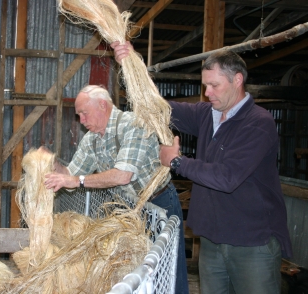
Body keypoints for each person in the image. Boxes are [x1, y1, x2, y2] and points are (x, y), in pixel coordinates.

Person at [112, 41, 293, 294]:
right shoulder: (207, 114)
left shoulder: (258, 123)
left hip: (252, 242)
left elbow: (227, 177)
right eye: (205, 85)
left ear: (237, 80)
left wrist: (177, 162)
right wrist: (131, 66)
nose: (208, 93)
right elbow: (157, 108)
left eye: (215, 85)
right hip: (212, 239)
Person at [41, 84, 189, 294]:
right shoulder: (92, 139)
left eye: (84, 113)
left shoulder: (133, 125)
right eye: (79, 115)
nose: (81, 121)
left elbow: (122, 175)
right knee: (135, 272)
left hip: (159, 203)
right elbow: (69, 175)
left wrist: (77, 181)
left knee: (167, 271)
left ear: (103, 105)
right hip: (129, 210)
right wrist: (50, 162)